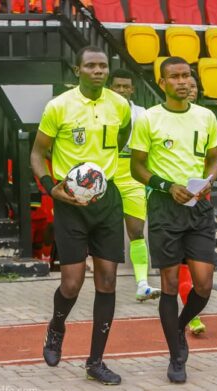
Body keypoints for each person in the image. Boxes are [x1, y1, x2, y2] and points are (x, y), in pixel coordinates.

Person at [130, 57, 217, 383]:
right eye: (175, 77)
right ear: (163, 83)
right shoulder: (149, 119)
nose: (183, 81)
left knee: (204, 284)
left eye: (186, 75)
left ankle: (179, 326)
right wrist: (167, 186)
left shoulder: (206, 116)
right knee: (168, 284)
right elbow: (136, 167)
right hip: (165, 208)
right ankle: (176, 355)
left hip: (199, 207)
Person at [31, 46, 131, 385]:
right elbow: (37, 153)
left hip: (107, 201)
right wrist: (50, 186)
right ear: (77, 70)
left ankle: (96, 361)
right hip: (70, 203)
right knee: (72, 283)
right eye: (90, 66)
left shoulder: (120, 105)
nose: (98, 71)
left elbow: (123, 137)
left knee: (107, 280)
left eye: (103, 65)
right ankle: (57, 327)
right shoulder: (59, 106)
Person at [109, 68, 160, 302]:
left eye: (125, 86)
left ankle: (142, 284)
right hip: (106, 171)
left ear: (132, 89)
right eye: (117, 86)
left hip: (132, 172)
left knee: (137, 230)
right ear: (110, 88)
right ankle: (104, 283)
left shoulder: (143, 114)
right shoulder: (100, 111)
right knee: (103, 231)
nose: (121, 90)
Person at [178, 74, 207, 335]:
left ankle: (191, 311)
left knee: (200, 268)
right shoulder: (165, 121)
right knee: (181, 263)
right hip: (174, 202)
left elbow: (215, 157)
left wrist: (210, 178)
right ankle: (192, 319)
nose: (189, 89)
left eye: (194, 86)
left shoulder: (206, 119)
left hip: (201, 201)